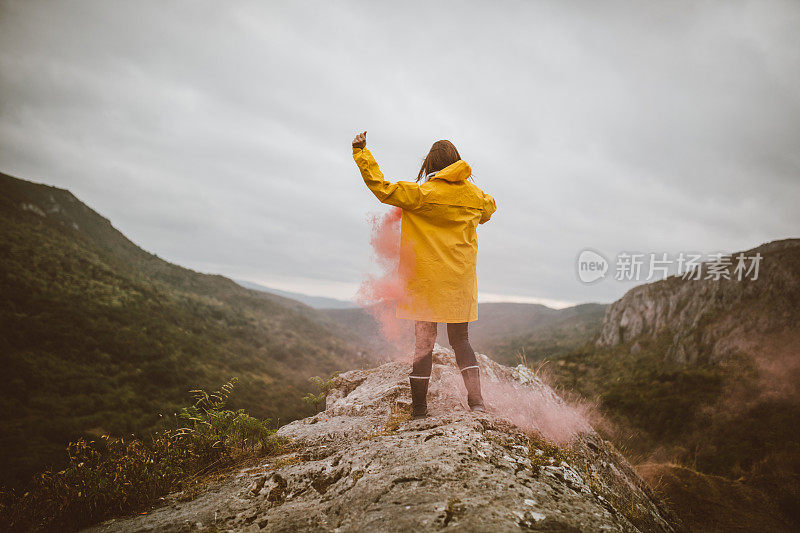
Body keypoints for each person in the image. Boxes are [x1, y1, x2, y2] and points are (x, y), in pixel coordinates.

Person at [351, 131, 497, 418]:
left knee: (424, 344)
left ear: (430, 166)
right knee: (461, 341)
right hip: (459, 281)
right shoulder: (476, 197)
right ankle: (477, 403)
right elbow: (489, 208)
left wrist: (361, 152)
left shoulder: (421, 194)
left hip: (426, 281)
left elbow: (382, 188)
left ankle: (419, 410)